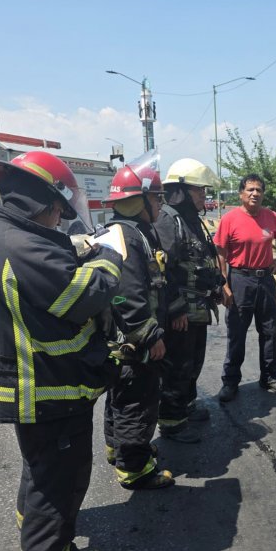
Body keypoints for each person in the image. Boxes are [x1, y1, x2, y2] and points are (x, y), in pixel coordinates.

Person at [0, 151, 123, 551]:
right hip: (48, 389)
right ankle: (46, 546)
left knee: (39, 474)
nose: (59, 220)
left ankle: (32, 530)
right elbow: (83, 296)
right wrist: (108, 257)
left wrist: (70, 248)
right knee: (58, 486)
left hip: (21, 384)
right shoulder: (23, 247)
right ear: (46, 204)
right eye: (59, 212)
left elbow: (33, 280)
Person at [101, 154, 175, 489]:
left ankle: (117, 448)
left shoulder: (124, 231)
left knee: (119, 397)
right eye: (156, 197)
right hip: (132, 341)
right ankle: (135, 468)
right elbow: (126, 295)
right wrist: (150, 337)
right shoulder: (128, 237)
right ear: (139, 200)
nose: (160, 203)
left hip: (117, 341)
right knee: (138, 401)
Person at [154, 158, 224, 443]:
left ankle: (186, 404)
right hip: (182, 309)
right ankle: (172, 422)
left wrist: (217, 284)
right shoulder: (168, 219)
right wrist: (175, 308)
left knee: (193, 360)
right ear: (181, 191)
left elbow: (202, 257)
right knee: (178, 364)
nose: (203, 196)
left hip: (198, 306)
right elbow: (163, 270)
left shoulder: (192, 220)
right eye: (199, 191)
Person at [214, 173, 276, 402]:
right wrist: (224, 284)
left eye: (259, 190)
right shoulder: (230, 219)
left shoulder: (271, 216)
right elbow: (220, 252)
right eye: (250, 189)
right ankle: (230, 382)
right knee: (237, 333)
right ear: (241, 194)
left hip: (266, 280)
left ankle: (269, 377)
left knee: (269, 330)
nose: (255, 193)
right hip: (240, 279)